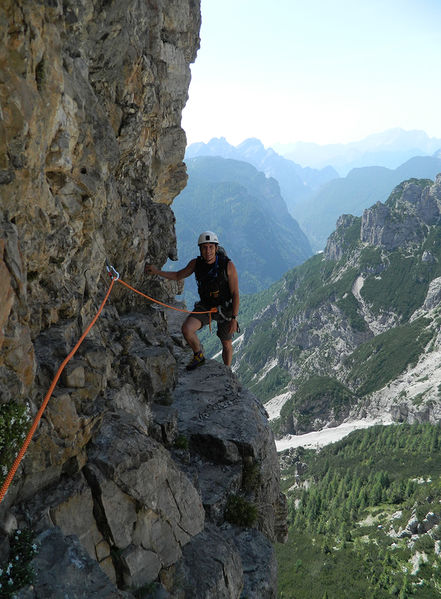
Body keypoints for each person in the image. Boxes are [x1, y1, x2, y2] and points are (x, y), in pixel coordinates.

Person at [145, 231, 239, 370]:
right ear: (200, 249)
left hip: (225, 309)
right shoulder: (196, 264)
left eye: (211, 247)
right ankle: (198, 355)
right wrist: (157, 271)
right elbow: (178, 275)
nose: (208, 251)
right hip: (206, 306)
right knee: (187, 329)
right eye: (204, 248)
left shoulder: (228, 266)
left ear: (216, 248)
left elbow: (235, 293)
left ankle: (227, 370)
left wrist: (234, 318)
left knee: (226, 343)